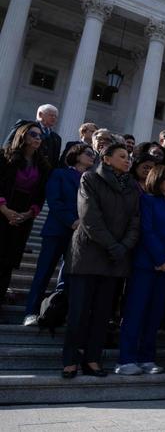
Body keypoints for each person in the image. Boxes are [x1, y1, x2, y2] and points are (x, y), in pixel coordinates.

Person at [62, 143, 140, 378]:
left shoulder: (132, 187)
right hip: (88, 254)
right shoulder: (89, 179)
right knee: (79, 311)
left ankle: (93, 358)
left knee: (102, 313)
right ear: (106, 159)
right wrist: (113, 245)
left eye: (129, 157)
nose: (127, 161)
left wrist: (124, 245)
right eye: (122, 156)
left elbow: (135, 221)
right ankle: (70, 359)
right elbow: (89, 216)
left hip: (115, 259)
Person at [117, 165, 165, 375]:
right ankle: (126, 359)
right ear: (158, 180)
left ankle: (147, 357)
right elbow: (146, 230)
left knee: (154, 314)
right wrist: (161, 258)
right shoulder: (146, 200)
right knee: (135, 312)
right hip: (146, 265)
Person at [23, 144, 95, 325]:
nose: (92, 157)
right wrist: (72, 221)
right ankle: (30, 311)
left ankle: (57, 312)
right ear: (76, 155)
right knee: (43, 273)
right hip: (57, 230)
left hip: (79, 235)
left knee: (69, 276)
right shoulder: (60, 174)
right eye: (88, 153)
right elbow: (54, 201)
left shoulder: (92, 180)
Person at [0, 122, 49, 307]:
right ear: (23, 136)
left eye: (39, 136)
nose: (38, 138)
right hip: (3, 211)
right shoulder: (4, 157)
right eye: (33, 135)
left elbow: (41, 194)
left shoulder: (43, 165)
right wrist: (4, 209)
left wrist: (29, 213)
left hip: (23, 217)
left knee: (8, 263)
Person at [5, 104, 61, 168]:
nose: (54, 118)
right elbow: (8, 144)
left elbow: (55, 162)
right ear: (40, 114)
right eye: (51, 115)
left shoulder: (57, 138)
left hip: (43, 174)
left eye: (56, 116)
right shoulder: (24, 126)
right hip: (19, 167)